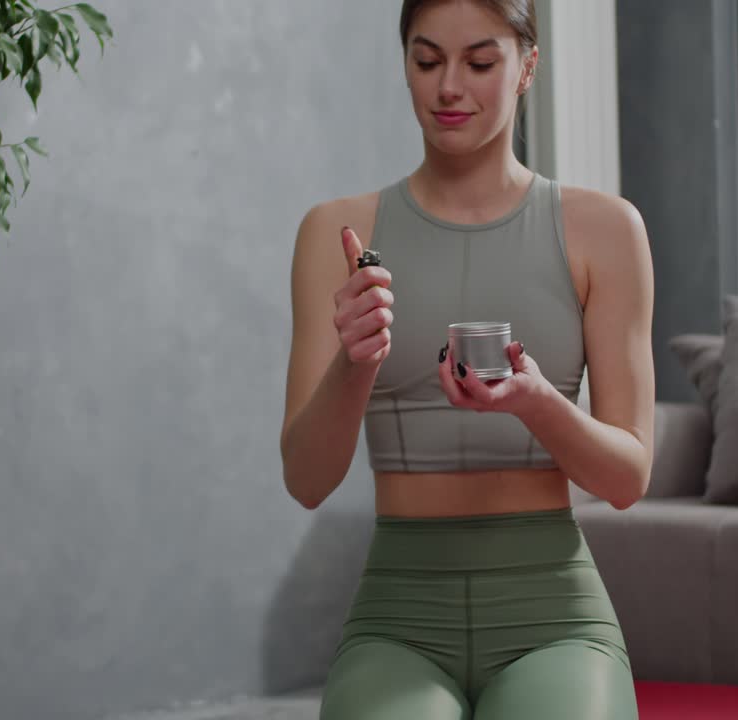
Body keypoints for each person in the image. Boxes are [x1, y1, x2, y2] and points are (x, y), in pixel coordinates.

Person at [279, 0, 655, 717]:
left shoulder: (605, 231)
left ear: (526, 69)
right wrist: (355, 362)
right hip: (398, 615)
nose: (450, 86)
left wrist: (539, 402)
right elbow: (306, 479)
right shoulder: (337, 233)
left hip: (554, 614)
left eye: (480, 62)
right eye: (427, 61)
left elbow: (628, 477)